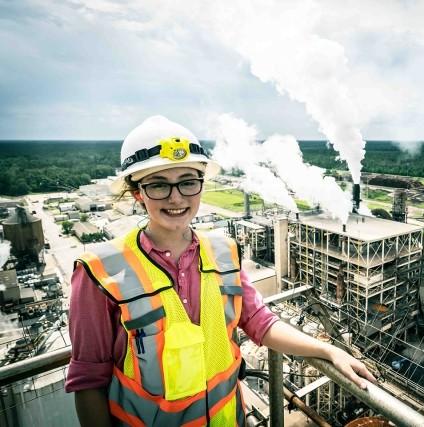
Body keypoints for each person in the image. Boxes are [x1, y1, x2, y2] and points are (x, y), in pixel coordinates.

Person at [64, 116, 375, 426]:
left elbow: (259, 322)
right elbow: (89, 381)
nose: (176, 197)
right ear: (137, 193)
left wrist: (327, 350)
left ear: (201, 185)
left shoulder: (224, 253)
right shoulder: (100, 273)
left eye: (187, 181)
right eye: (158, 185)